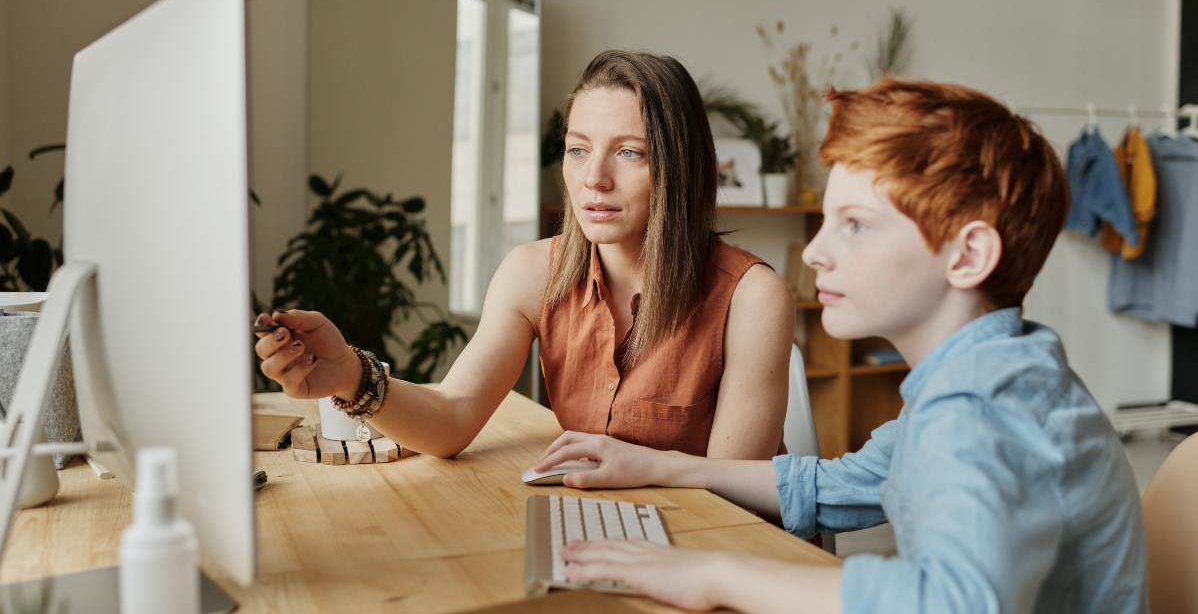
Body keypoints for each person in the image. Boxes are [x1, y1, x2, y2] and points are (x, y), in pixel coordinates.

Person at [533, 79, 1148, 613]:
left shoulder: (984, 409)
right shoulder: (992, 374)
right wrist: (660, 466)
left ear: (968, 256)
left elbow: (952, 603)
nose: (814, 252)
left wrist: (716, 573)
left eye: (854, 224)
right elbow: (840, 486)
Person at [254, 49, 795, 460]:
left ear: (682, 167)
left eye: (630, 153)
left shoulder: (753, 297)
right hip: (608, 531)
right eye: (578, 149)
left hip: (718, 553)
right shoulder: (533, 272)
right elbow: (452, 417)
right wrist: (352, 375)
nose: (593, 179)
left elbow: (731, 496)